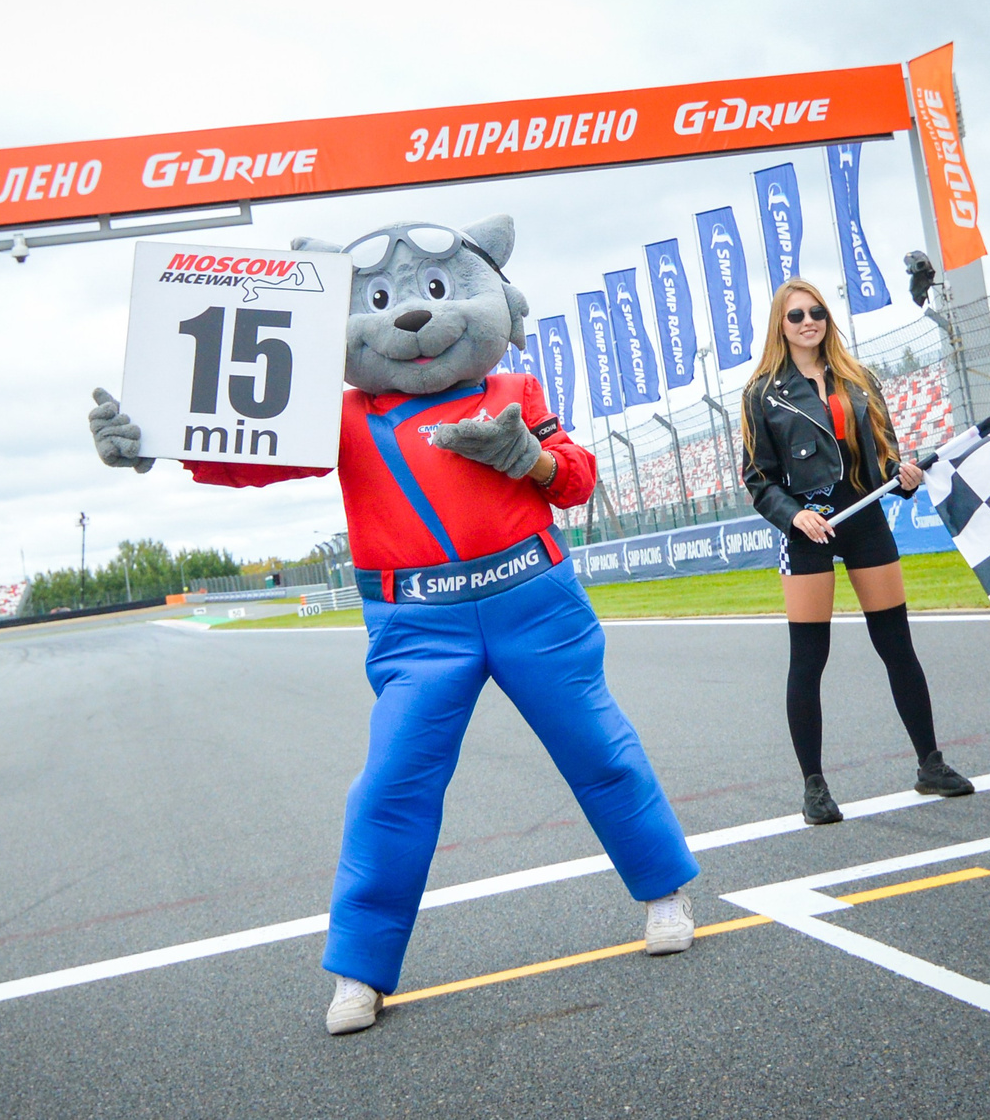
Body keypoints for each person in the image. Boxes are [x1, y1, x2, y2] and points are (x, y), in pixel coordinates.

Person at [91, 217, 699, 1035]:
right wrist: (153, 443)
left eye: (439, 290)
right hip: (418, 626)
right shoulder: (339, 414)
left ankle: (665, 890)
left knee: (600, 748)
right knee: (390, 787)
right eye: (377, 301)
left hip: (533, 599)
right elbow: (247, 453)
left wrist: (528, 457)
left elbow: (576, 479)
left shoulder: (514, 393)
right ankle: (360, 966)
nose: (411, 315)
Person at [740, 279, 974, 824]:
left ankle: (931, 764)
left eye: (817, 312)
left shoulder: (858, 378)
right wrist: (794, 516)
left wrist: (903, 476)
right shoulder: (762, 394)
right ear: (780, 325)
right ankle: (814, 787)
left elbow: (883, 456)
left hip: (864, 516)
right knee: (809, 659)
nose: (808, 322)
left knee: (897, 645)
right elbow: (757, 478)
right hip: (808, 528)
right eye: (796, 315)